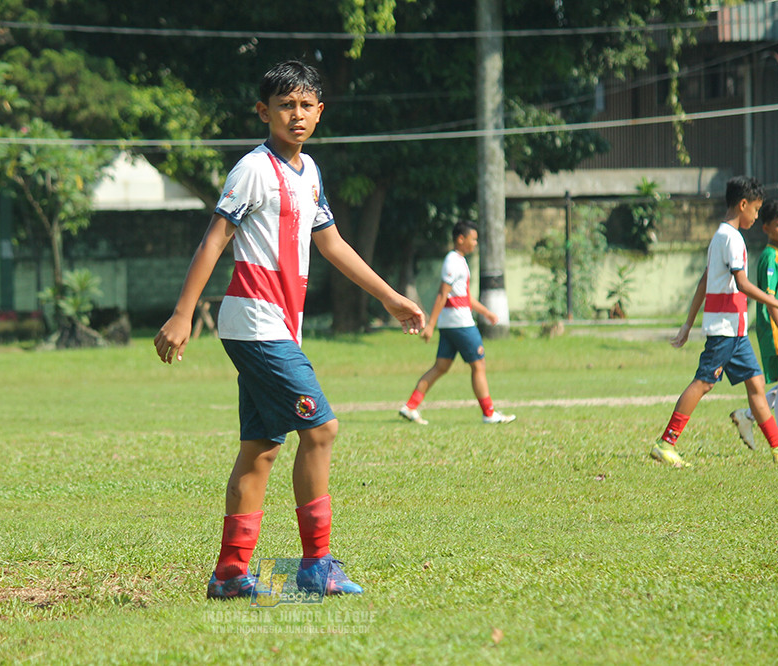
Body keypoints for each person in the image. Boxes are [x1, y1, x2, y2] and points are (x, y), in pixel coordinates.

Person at [153, 60, 425, 599]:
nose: (296, 115)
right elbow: (214, 240)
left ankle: (230, 575)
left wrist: (392, 299)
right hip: (255, 322)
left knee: (261, 448)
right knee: (320, 430)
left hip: (277, 324)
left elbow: (333, 245)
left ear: (320, 112)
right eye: (284, 105)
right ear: (264, 111)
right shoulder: (253, 170)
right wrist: (184, 314)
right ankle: (316, 565)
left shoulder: (311, 172)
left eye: (305, 105)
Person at [654, 176, 778, 467]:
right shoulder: (731, 238)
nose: (756, 216)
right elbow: (741, 283)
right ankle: (666, 443)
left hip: (736, 330)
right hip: (724, 330)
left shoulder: (720, 237)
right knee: (704, 383)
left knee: (755, 385)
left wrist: (688, 324)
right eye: (755, 210)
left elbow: (705, 280)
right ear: (742, 205)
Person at [398, 221, 515, 426]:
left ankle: (410, 406)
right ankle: (489, 413)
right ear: (461, 239)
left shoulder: (459, 261)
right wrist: (430, 324)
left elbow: (463, 297)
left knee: (441, 366)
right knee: (479, 365)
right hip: (460, 324)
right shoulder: (452, 261)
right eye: (473, 239)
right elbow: (443, 293)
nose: (475, 243)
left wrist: (486, 312)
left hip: (450, 324)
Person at [729, 199, 778, 448]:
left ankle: (748, 415)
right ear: (765, 228)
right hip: (777, 328)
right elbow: (770, 299)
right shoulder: (769, 258)